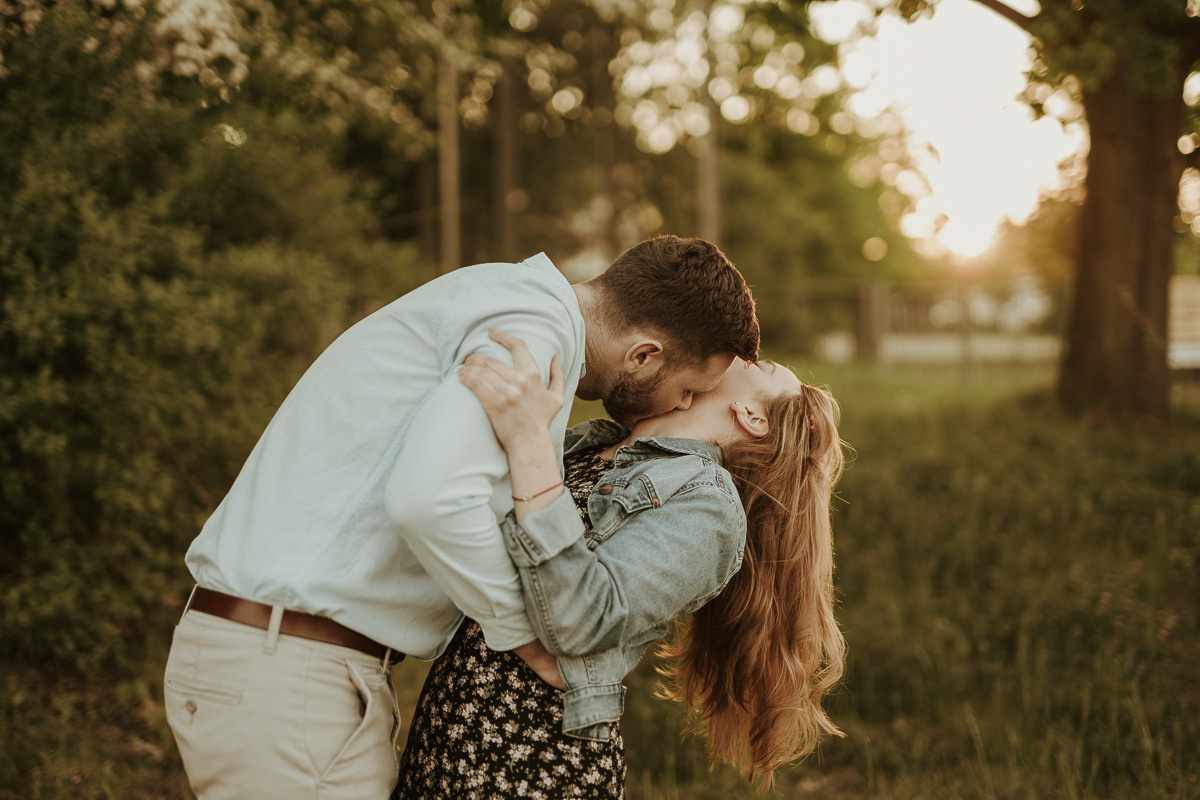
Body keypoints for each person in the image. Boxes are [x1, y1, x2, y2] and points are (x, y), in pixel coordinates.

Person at [162, 235, 759, 800]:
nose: (684, 404)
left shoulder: (502, 296)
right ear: (645, 353)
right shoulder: (531, 335)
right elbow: (433, 500)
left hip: (285, 658)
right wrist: (525, 640)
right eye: (687, 388)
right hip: (291, 670)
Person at [393, 332, 847, 798]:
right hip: (450, 726)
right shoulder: (595, 446)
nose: (742, 356)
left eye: (761, 364)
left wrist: (528, 439)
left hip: (533, 758)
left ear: (751, 416)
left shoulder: (708, 508)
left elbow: (583, 616)